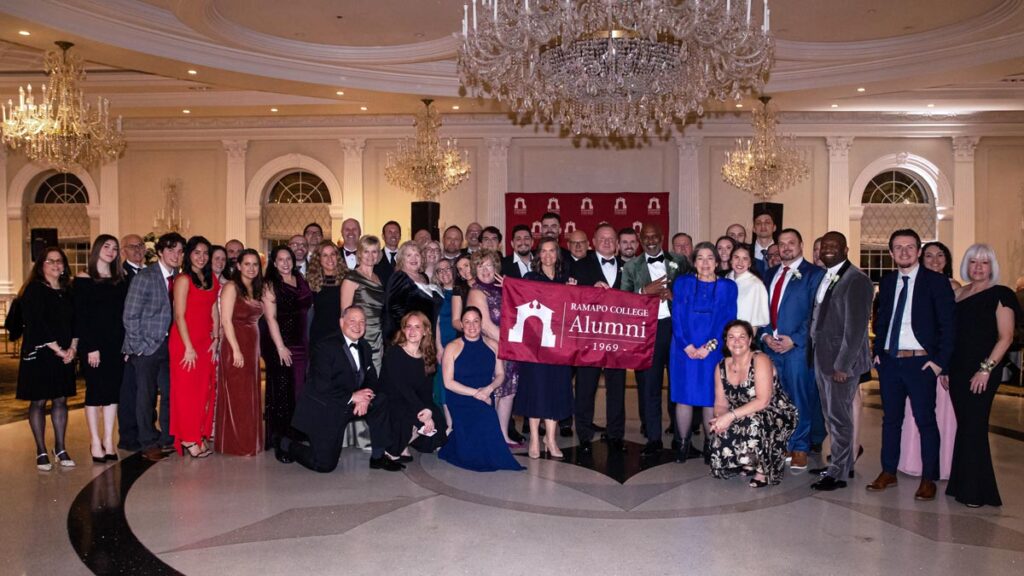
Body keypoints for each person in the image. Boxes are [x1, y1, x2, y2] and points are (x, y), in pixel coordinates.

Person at [867, 229, 954, 502]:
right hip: (890, 362)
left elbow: (949, 326)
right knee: (891, 420)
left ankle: (929, 478)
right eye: (898, 247)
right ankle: (888, 471)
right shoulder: (888, 281)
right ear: (891, 253)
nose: (904, 252)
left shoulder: (936, 282)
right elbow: (882, 319)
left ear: (918, 251)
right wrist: (878, 352)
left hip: (921, 363)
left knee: (925, 421)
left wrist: (939, 363)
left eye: (909, 247)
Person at [278, 306, 403, 472]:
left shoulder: (364, 346)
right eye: (353, 321)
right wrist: (353, 396)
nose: (358, 326)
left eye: (362, 322)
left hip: (349, 404)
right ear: (341, 322)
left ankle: (378, 457)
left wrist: (365, 397)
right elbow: (321, 386)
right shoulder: (325, 347)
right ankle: (285, 443)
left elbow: (371, 377)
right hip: (325, 407)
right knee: (324, 465)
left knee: (380, 400)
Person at [946, 244, 1019, 508]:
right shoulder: (959, 293)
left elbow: (1006, 337)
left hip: (983, 370)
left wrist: (985, 369)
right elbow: (952, 335)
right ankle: (960, 484)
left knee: (974, 427)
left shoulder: (1001, 294)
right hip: (958, 369)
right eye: (973, 261)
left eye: (984, 262)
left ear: (992, 266)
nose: (978, 267)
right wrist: (946, 369)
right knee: (966, 425)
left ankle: (976, 492)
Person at [809, 232, 873, 491]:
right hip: (823, 356)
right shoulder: (828, 275)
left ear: (845, 249)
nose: (827, 249)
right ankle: (839, 463)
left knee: (839, 418)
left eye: (834, 246)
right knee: (830, 415)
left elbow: (856, 329)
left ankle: (838, 473)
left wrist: (843, 365)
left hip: (840, 362)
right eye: (824, 246)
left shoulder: (857, 280)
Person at [622, 223, 693, 457]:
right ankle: (654, 438)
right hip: (649, 331)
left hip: (676, 327)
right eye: (646, 237)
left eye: (654, 236)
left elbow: (692, 290)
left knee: (678, 383)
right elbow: (623, 300)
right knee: (650, 386)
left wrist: (675, 295)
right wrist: (644, 292)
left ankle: (681, 436)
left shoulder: (679, 261)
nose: (650, 240)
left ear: (662, 237)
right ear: (640, 240)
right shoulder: (631, 266)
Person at [758, 228, 825, 470]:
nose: (786, 247)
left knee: (799, 397)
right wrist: (765, 335)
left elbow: (816, 313)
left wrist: (794, 340)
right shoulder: (770, 273)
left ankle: (800, 447)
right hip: (771, 348)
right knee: (777, 399)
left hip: (797, 348)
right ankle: (783, 442)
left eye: (791, 242)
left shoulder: (815, 274)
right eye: (782, 243)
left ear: (801, 245)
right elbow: (761, 308)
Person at [898, 240, 960, 480]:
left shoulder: (954, 286)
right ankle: (912, 460)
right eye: (929, 256)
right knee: (915, 413)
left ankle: (941, 465)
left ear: (947, 259)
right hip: (918, 362)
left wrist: (945, 365)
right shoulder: (915, 285)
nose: (935, 260)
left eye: (940, 255)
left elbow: (951, 330)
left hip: (940, 362)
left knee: (939, 415)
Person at [670, 242, 738, 463]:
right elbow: (677, 316)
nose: (705, 262)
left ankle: (711, 445)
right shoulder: (682, 282)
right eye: (700, 258)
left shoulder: (728, 287)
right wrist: (687, 345)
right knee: (684, 397)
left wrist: (709, 347)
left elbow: (728, 321)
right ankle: (682, 444)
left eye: (710, 258)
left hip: (713, 351)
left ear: (717, 262)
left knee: (710, 398)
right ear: (694, 262)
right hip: (683, 350)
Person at [708, 320, 797, 487]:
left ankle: (763, 471)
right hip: (741, 411)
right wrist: (720, 419)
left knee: (753, 421)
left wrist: (730, 416)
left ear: (750, 340)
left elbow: (763, 400)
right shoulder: (721, 366)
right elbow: (720, 404)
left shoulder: (760, 359)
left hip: (773, 411)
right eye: (731, 337)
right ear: (726, 341)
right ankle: (748, 460)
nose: (736, 341)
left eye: (742, 337)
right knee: (719, 429)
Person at [123, 232, 185, 462]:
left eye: (179, 251)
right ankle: (148, 442)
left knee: (170, 393)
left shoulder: (180, 277)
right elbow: (130, 315)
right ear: (159, 252)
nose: (176, 255)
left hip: (171, 346)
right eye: (170, 250)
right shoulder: (145, 277)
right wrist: (138, 346)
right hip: (147, 348)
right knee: (146, 397)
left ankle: (167, 437)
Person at [438, 306, 524, 472]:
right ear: (461, 325)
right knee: (473, 448)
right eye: (467, 322)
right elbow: (448, 383)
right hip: (460, 397)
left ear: (481, 323)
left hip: (485, 395)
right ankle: (457, 443)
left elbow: (500, 375)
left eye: (475, 321)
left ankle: (455, 441)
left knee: (487, 420)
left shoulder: (493, 345)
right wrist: (477, 393)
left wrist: (488, 389)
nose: (472, 326)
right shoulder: (452, 347)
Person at [18, 247, 77, 471]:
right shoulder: (34, 289)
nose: (55, 265)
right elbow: (36, 323)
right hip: (42, 353)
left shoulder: (68, 290)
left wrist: (72, 348)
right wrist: (58, 350)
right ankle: (41, 450)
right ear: (41, 265)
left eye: (59, 261)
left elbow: (76, 321)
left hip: (65, 352)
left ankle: (60, 448)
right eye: (50, 261)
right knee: (39, 401)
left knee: (61, 400)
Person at [516, 238, 576, 459]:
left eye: (552, 251)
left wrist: (573, 293)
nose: (548, 255)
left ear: (558, 255)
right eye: (544, 251)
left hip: (559, 346)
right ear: (538, 255)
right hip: (535, 347)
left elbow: (573, 313)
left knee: (556, 389)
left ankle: (550, 439)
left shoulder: (566, 280)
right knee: (537, 390)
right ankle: (534, 437)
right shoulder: (530, 279)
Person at [570, 225, 626, 453]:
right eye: (602, 238)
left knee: (617, 387)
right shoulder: (579, 265)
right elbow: (570, 297)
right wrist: (590, 290)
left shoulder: (628, 266)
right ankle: (583, 433)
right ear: (593, 241)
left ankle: (615, 434)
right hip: (589, 337)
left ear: (618, 243)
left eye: (611, 238)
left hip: (619, 338)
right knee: (585, 386)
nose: (607, 242)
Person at [74, 236, 128, 463]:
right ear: (97, 249)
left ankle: (108, 440)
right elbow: (81, 317)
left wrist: (127, 345)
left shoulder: (121, 280)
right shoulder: (83, 279)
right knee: (96, 392)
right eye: (106, 246)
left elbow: (124, 315)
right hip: (93, 345)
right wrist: (91, 347)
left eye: (115, 248)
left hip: (116, 344)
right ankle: (95, 441)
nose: (111, 251)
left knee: (112, 392)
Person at [169, 236, 220, 458]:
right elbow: (179, 315)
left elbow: (214, 309)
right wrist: (189, 347)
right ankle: (188, 438)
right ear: (188, 254)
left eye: (205, 253)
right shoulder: (183, 279)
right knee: (186, 392)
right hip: (184, 342)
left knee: (203, 391)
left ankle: (198, 433)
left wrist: (216, 338)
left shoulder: (211, 278)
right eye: (197, 252)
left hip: (205, 342)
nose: (202, 257)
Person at [466, 249, 521, 447]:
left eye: (489, 265)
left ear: (496, 267)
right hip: (492, 350)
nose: (485, 270)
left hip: (509, 349)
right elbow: (486, 326)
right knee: (494, 393)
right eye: (480, 266)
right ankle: (490, 438)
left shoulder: (504, 288)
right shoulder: (476, 292)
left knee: (508, 392)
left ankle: (502, 435)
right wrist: (513, 344)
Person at [261, 245, 313, 449]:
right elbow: (270, 318)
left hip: (301, 341)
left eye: (288, 259)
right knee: (284, 391)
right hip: (281, 342)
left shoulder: (300, 278)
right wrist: (281, 347)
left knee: (300, 387)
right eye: (280, 259)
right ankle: (281, 438)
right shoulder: (270, 284)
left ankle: (297, 431)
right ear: (274, 263)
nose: (285, 263)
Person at [216, 249, 265, 456]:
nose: (251, 268)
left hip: (251, 345)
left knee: (249, 395)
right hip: (235, 345)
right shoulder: (231, 287)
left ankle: (249, 440)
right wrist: (236, 349)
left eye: (255, 264)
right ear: (238, 266)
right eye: (247, 264)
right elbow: (226, 320)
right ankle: (237, 444)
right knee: (238, 395)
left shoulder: (255, 288)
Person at [380, 311, 446, 460]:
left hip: (412, 399)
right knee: (407, 417)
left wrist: (428, 411)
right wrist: (422, 410)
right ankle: (394, 449)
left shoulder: (427, 357)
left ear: (425, 331)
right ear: (403, 330)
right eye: (408, 326)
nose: (412, 331)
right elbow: (401, 387)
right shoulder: (395, 352)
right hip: (392, 399)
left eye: (417, 327)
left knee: (438, 422)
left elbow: (426, 392)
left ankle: (405, 443)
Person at [383, 240, 443, 343]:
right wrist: (407, 336)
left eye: (417, 255)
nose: (414, 259)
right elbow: (394, 311)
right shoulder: (399, 277)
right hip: (407, 338)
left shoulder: (424, 277)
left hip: (427, 336)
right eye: (409, 255)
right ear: (402, 259)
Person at [341, 235, 386, 372]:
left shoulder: (378, 278)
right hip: (359, 336)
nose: (370, 256)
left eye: (374, 251)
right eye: (366, 251)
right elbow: (344, 315)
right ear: (359, 253)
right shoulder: (351, 278)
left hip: (378, 337)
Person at [432, 259, 457, 421]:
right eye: (440, 270)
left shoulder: (462, 291)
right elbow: (436, 322)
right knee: (444, 382)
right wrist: (439, 347)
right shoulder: (436, 295)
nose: (444, 272)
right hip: (444, 342)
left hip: (460, 340)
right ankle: (449, 423)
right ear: (436, 275)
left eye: (447, 268)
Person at [307, 241, 344, 344]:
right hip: (319, 335)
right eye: (325, 255)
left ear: (337, 257)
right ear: (318, 259)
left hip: (342, 334)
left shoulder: (348, 279)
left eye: (333, 254)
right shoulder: (311, 281)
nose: (330, 259)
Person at [727, 245, 769, 329]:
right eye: (736, 257)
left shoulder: (756, 285)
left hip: (744, 334)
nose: (740, 262)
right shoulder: (726, 279)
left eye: (745, 259)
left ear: (750, 263)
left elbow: (756, 322)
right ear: (731, 260)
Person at [450, 254, 475, 333]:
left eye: (466, 265)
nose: (464, 271)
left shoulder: (486, 282)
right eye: (460, 269)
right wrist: (470, 330)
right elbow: (455, 321)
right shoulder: (459, 288)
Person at [373, 220, 402, 286]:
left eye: (396, 232)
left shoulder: (406, 258)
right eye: (390, 232)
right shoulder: (375, 257)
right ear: (383, 236)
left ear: (400, 236)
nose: (393, 235)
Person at [751, 211, 776, 276]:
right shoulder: (746, 251)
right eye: (758, 223)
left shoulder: (781, 251)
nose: (763, 226)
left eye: (767, 222)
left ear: (774, 227)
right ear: (753, 229)